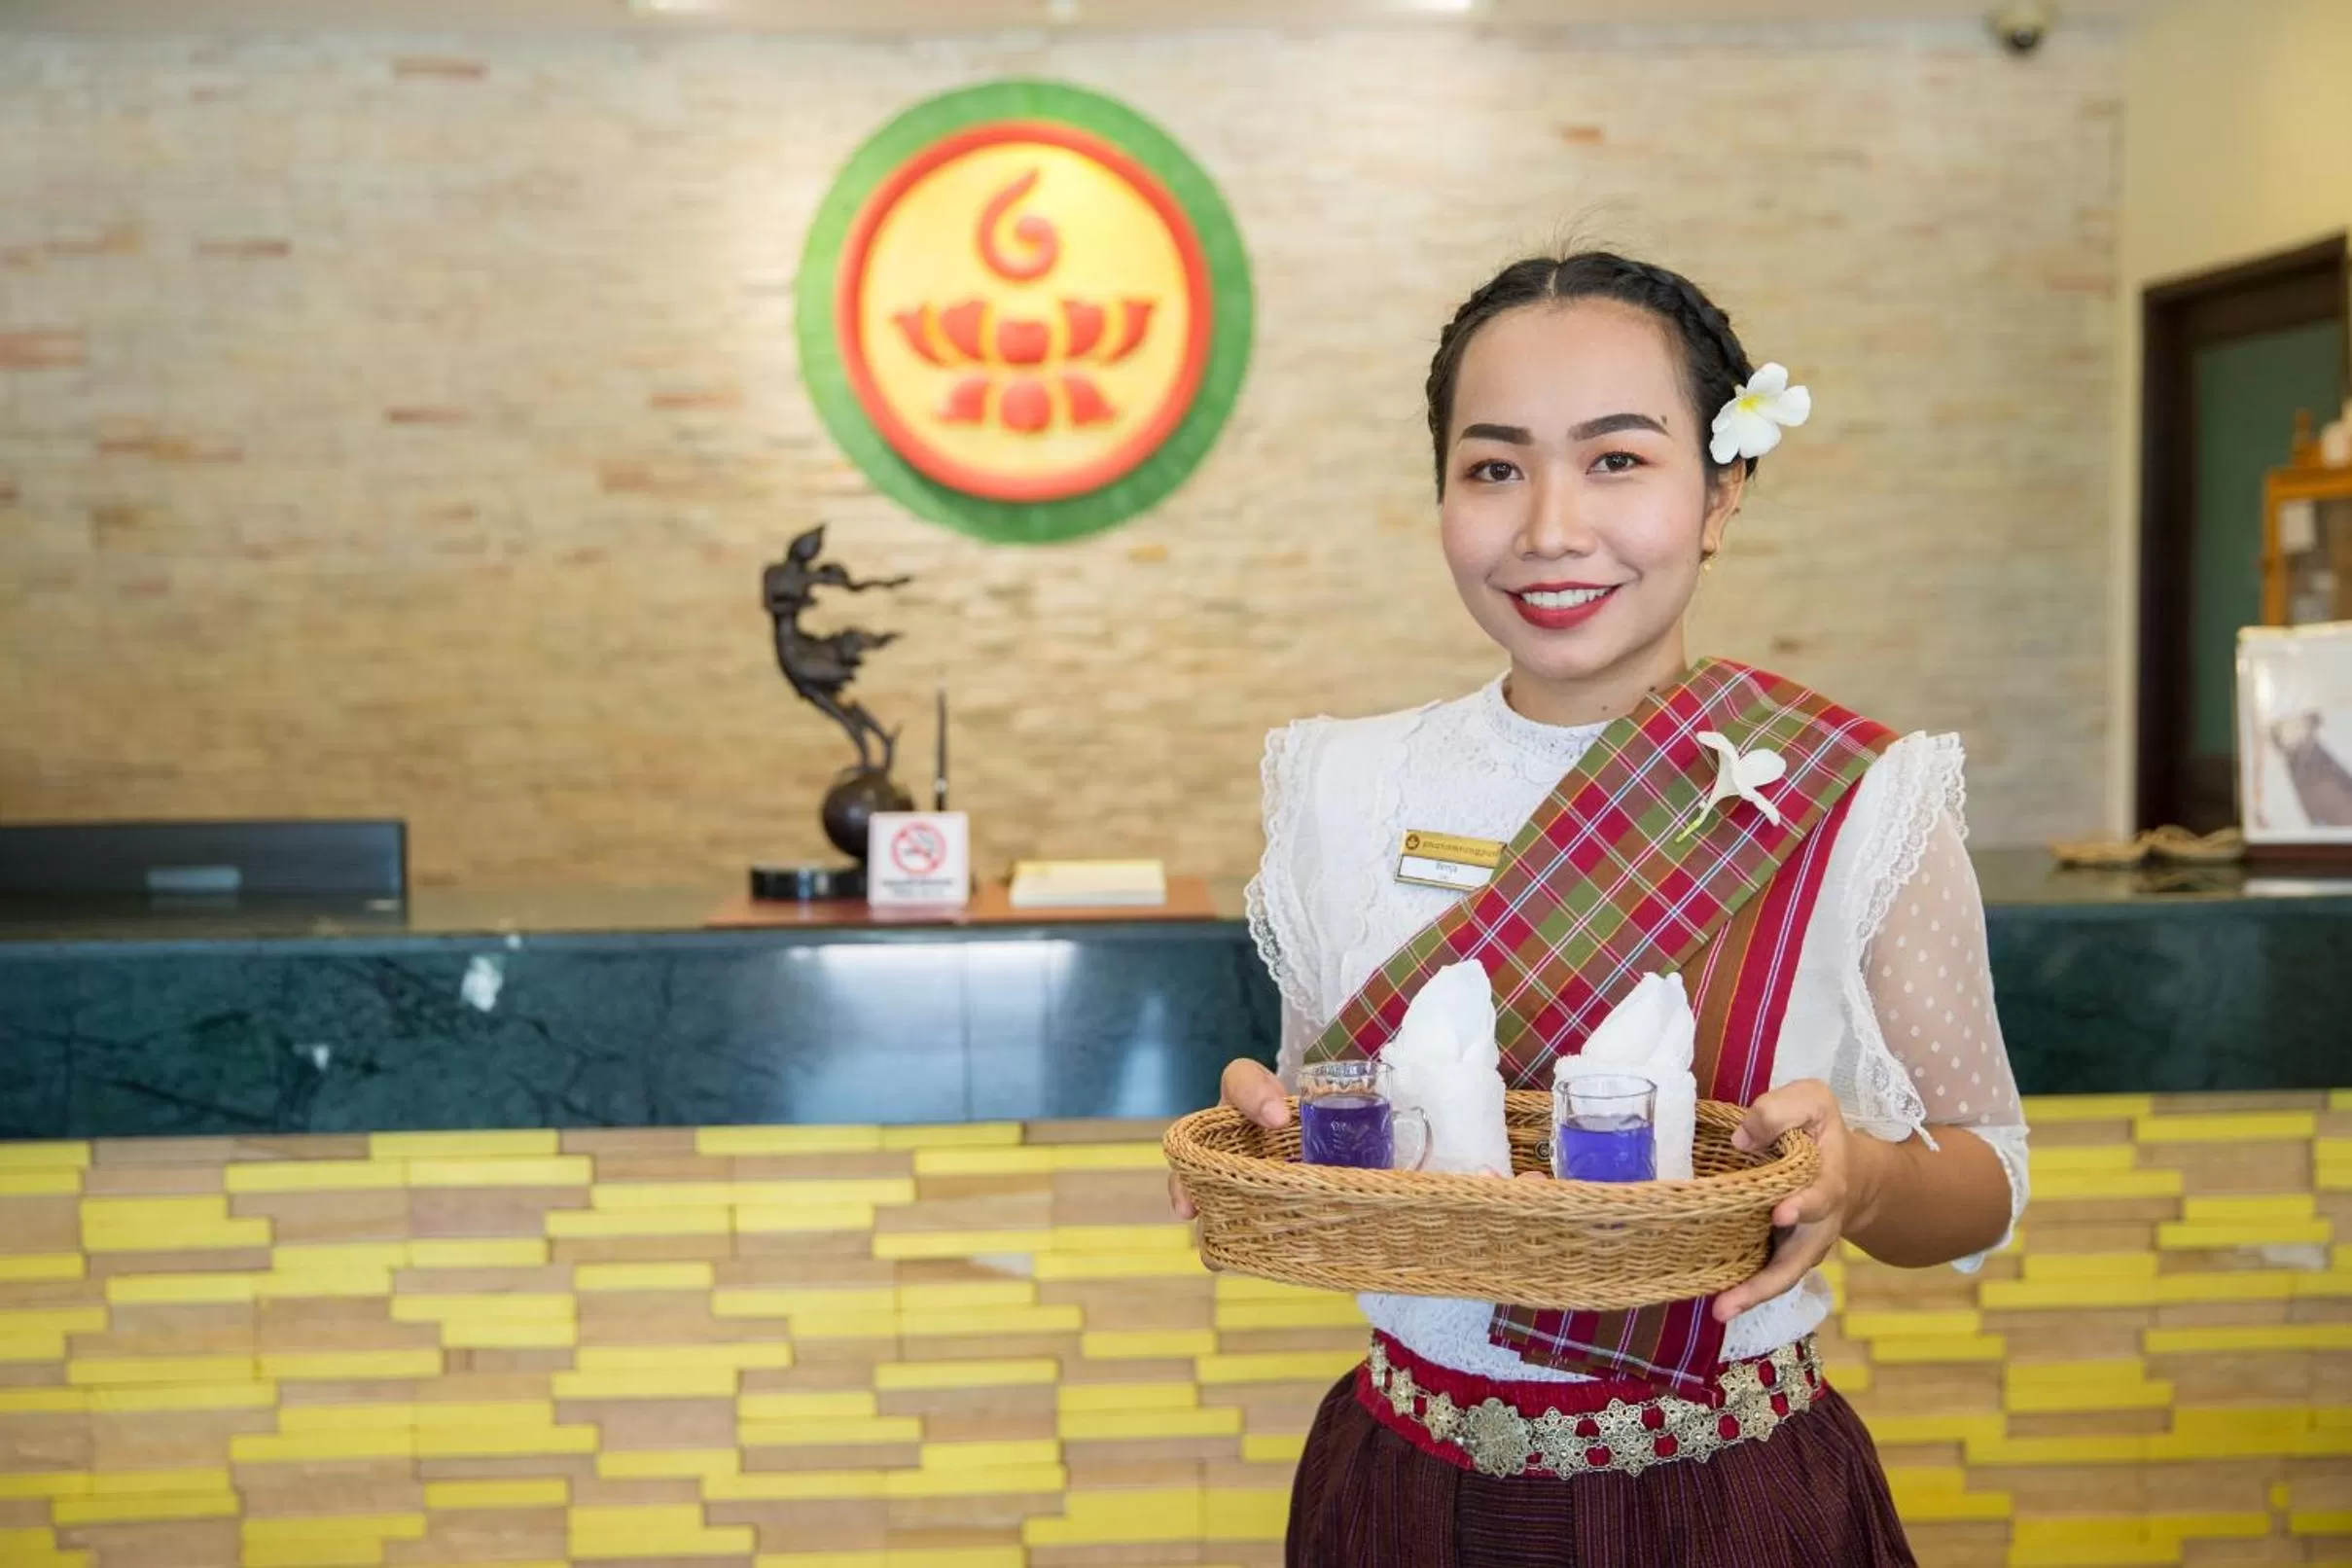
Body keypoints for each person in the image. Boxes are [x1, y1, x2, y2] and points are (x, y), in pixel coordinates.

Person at [1172, 252, 2029, 1565]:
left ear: (1719, 496)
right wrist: (1274, 1130)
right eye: (1494, 467)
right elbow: (1325, 1104)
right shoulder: (1335, 784)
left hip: (1727, 1498)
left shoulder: (1857, 793)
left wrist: (1858, 1180)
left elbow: (1984, 1176)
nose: (1549, 528)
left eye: (1617, 460)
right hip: (1398, 1491)